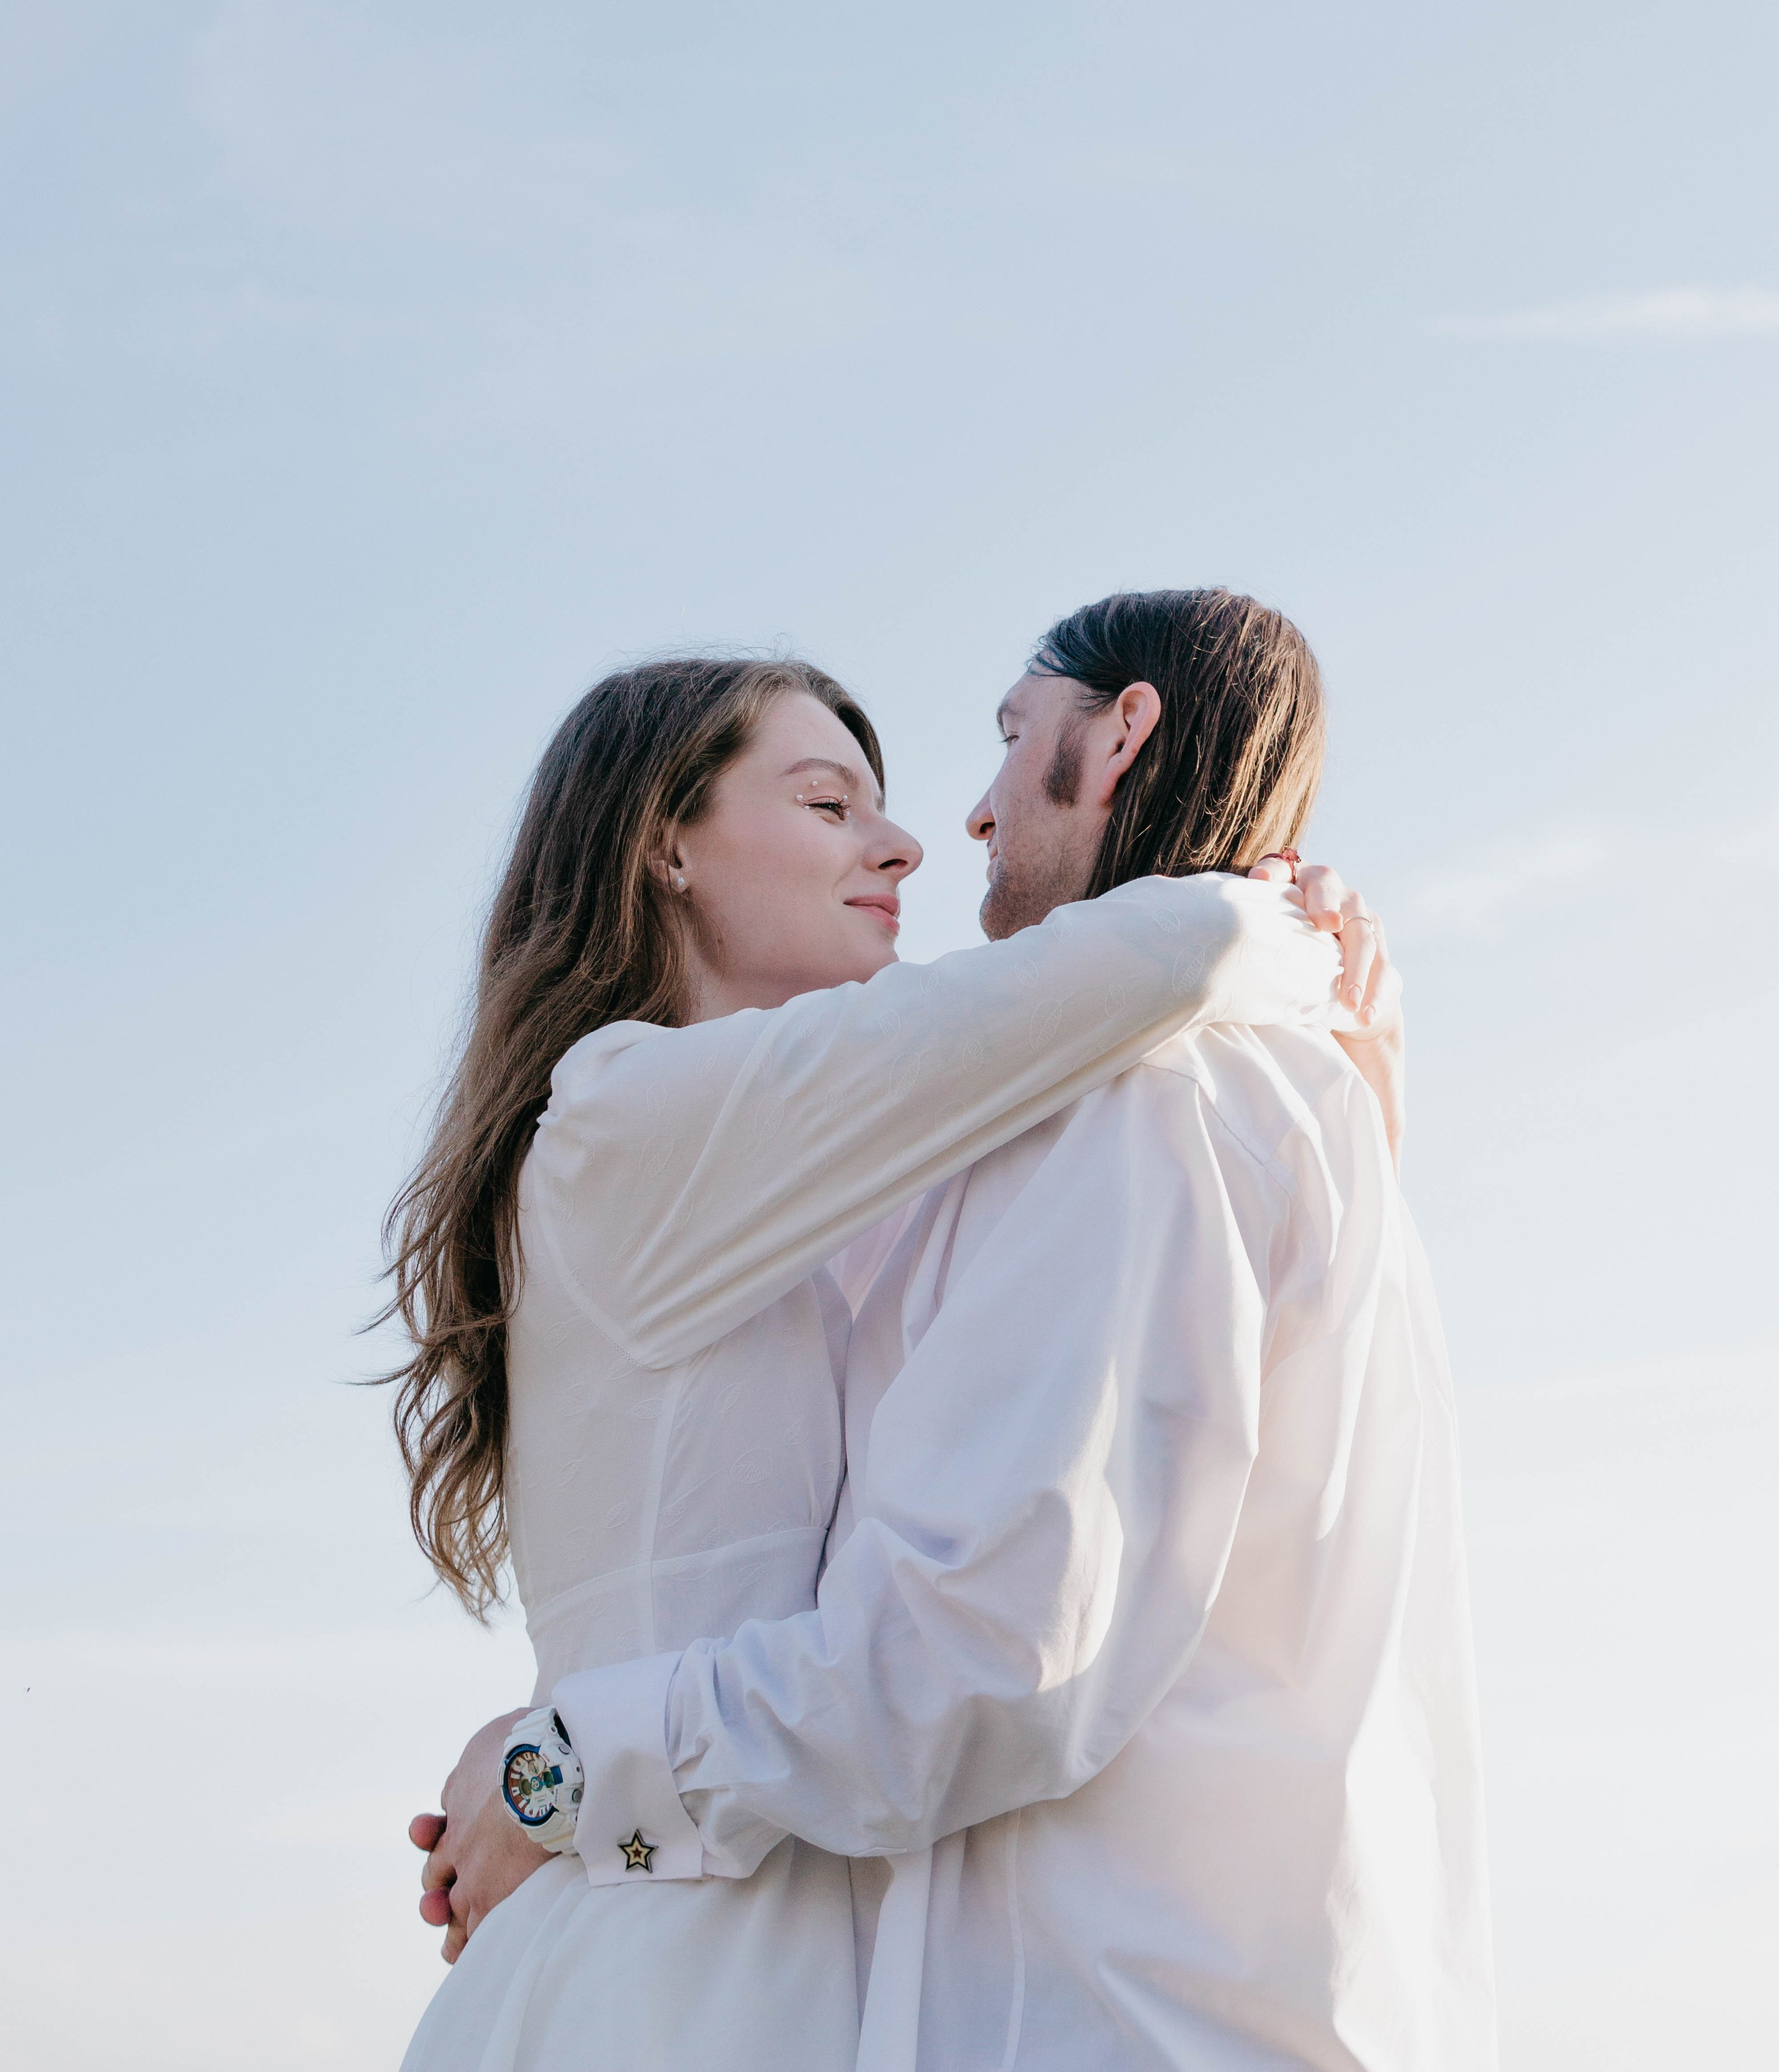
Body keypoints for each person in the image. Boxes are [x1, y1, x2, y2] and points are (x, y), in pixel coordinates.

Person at [391, 614, 1400, 2071]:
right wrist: (1292, 927)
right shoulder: (619, 1122)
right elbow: (1171, 948)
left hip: (782, 1936)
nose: (910, 842)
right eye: (824, 803)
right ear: (660, 848)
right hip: (678, 1969)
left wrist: (546, 1763)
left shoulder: (828, 1201)